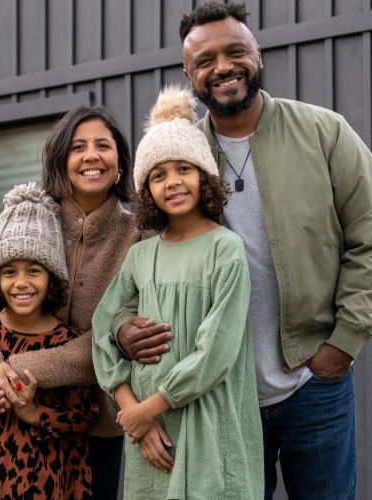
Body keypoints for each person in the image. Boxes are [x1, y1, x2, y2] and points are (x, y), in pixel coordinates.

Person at [114, 2, 372, 499]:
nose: (222, 67)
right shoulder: (177, 156)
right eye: (205, 61)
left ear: (257, 54)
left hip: (312, 382)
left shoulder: (322, 132)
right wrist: (123, 327)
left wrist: (343, 342)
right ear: (189, 74)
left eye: (235, 52)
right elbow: (144, 266)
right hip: (217, 393)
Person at [0, 105, 140, 499]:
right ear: (61, 159)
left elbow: (109, 337)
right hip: (1, 425)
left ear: (120, 161)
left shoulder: (138, 235)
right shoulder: (21, 221)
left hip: (92, 423)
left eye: (103, 145)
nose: (91, 155)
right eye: (78, 147)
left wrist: (16, 369)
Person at [92, 85, 262, 500]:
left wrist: (151, 407)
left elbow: (218, 349)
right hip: (150, 434)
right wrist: (134, 412)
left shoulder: (226, 249)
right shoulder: (140, 256)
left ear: (203, 175)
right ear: (146, 190)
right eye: (158, 174)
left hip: (208, 422)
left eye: (183, 168)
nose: (172, 182)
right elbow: (101, 330)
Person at [0, 182, 98, 499]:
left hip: (47, 481)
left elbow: (86, 414)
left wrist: (34, 412)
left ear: (52, 277)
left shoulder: (64, 342)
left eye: (34, 270)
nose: (21, 283)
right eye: (9, 272)